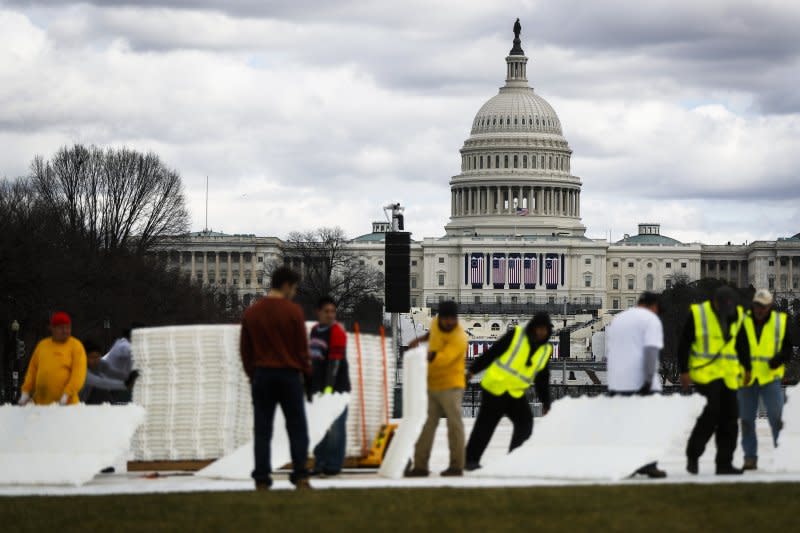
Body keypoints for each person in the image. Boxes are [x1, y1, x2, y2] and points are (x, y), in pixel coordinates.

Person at [240, 266, 312, 490]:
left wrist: (253, 374)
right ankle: (300, 474)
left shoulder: (252, 312)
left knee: (262, 430)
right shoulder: (293, 312)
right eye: (294, 288)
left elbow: (245, 350)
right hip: (289, 376)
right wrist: (307, 376)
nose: (295, 292)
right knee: (297, 428)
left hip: (262, 374)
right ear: (287, 285)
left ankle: (261, 477)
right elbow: (301, 349)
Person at [464, 312, 553, 471]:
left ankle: (514, 458)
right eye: (539, 328)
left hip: (514, 393)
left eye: (544, 329)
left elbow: (542, 378)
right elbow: (493, 353)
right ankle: (470, 460)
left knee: (525, 423)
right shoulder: (516, 335)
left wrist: (546, 402)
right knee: (486, 425)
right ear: (533, 327)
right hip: (495, 388)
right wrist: (473, 370)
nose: (541, 332)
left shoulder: (545, 350)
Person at [679, 286, 751, 475]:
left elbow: (742, 344)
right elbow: (684, 343)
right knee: (711, 415)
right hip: (706, 374)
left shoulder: (737, 315)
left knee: (730, 419)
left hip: (729, 375)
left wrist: (748, 368)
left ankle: (724, 463)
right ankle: (693, 456)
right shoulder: (699, 314)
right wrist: (683, 370)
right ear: (715, 302)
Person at [605, 292, 666, 479]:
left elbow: (610, 350)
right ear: (653, 306)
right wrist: (648, 380)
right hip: (640, 381)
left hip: (618, 381)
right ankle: (648, 465)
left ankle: (626, 465)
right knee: (650, 426)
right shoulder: (650, 319)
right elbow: (650, 351)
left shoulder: (619, 319)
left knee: (624, 428)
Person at [406, 300, 469, 478]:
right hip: (432, 385)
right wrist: (419, 339)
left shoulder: (459, 338)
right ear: (440, 317)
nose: (449, 322)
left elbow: (441, 359)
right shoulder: (435, 323)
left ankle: (456, 466)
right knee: (426, 426)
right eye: (446, 318)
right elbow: (432, 333)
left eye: (452, 319)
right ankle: (420, 466)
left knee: (454, 426)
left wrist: (420, 354)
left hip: (452, 386)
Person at [738, 289, 795, 470]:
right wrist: (746, 367)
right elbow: (739, 347)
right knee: (747, 420)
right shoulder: (744, 321)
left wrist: (777, 360)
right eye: (757, 306)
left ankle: (782, 453)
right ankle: (750, 457)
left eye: (763, 306)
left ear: (769, 306)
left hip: (770, 378)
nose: (759, 309)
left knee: (776, 418)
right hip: (748, 378)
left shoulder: (780, 322)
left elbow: (787, 349)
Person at [309, 296, 350, 477]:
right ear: (318, 312)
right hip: (319, 388)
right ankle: (320, 462)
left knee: (335, 428)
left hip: (336, 389)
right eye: (326, 311)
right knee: (319, 427)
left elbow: (335, 363)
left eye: (333, 311)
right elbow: (313, 361)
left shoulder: (337, 332)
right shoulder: (315, 331)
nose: (330, 314)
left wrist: (328, 389)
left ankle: (333, 465)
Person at [19, 312, 87, 406]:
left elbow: (79, 374)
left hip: (67, 405)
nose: (65, 331)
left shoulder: (76, 346)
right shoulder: (42, 345)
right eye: (61, 328)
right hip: (41, 405)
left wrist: (67, 393)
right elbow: (32, 371)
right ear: (52, 328)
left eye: (68, 327)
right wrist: (26, 391)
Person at [80, 339, 139, 404]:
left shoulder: (100, 364)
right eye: (92, 357)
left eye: (97, 357)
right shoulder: (81, 370)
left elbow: (113, 373)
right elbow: (100, 382)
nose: (95, 360)